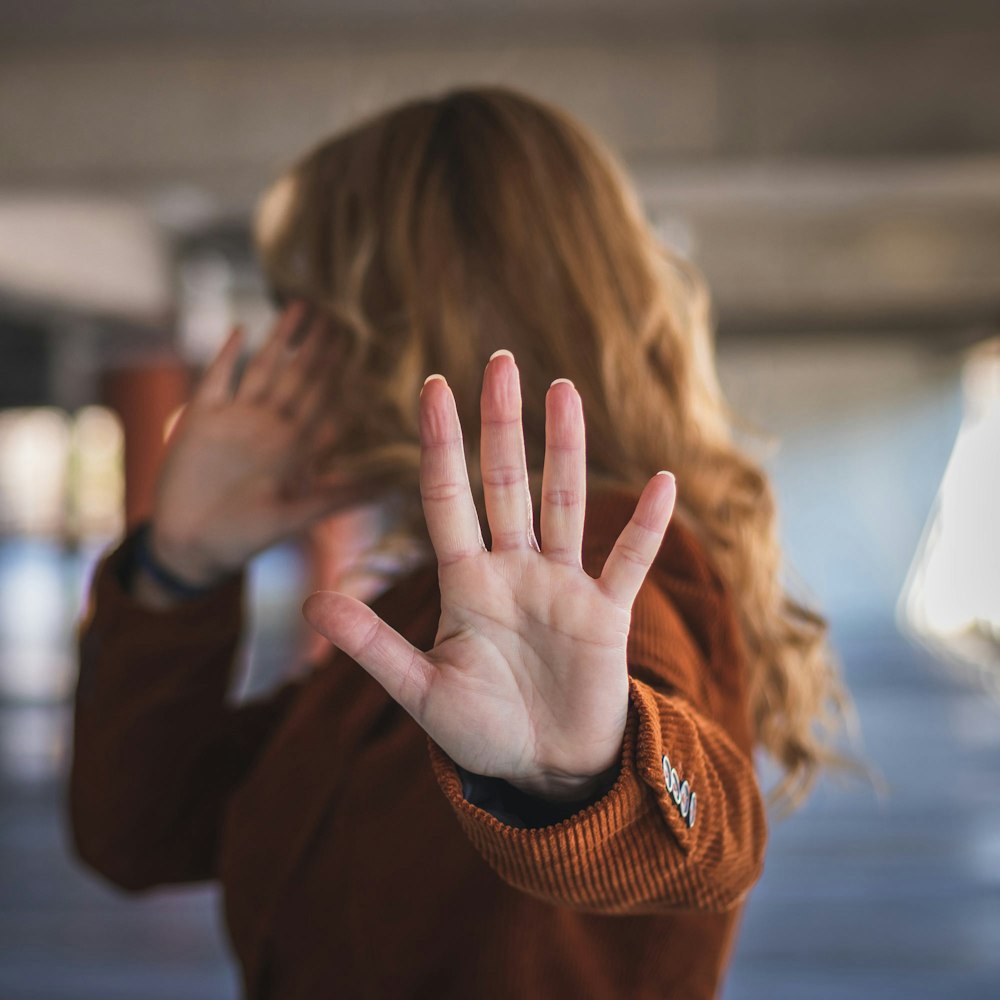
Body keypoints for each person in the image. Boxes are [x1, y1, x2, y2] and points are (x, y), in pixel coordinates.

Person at [69, 87, 854, 999]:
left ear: (398, 322)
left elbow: (708, 844)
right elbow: (144, 832)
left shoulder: (594, 562)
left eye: (306, 307)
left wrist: (585, 776)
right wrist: (180, 568)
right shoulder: (444, 590)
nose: (291, 350)